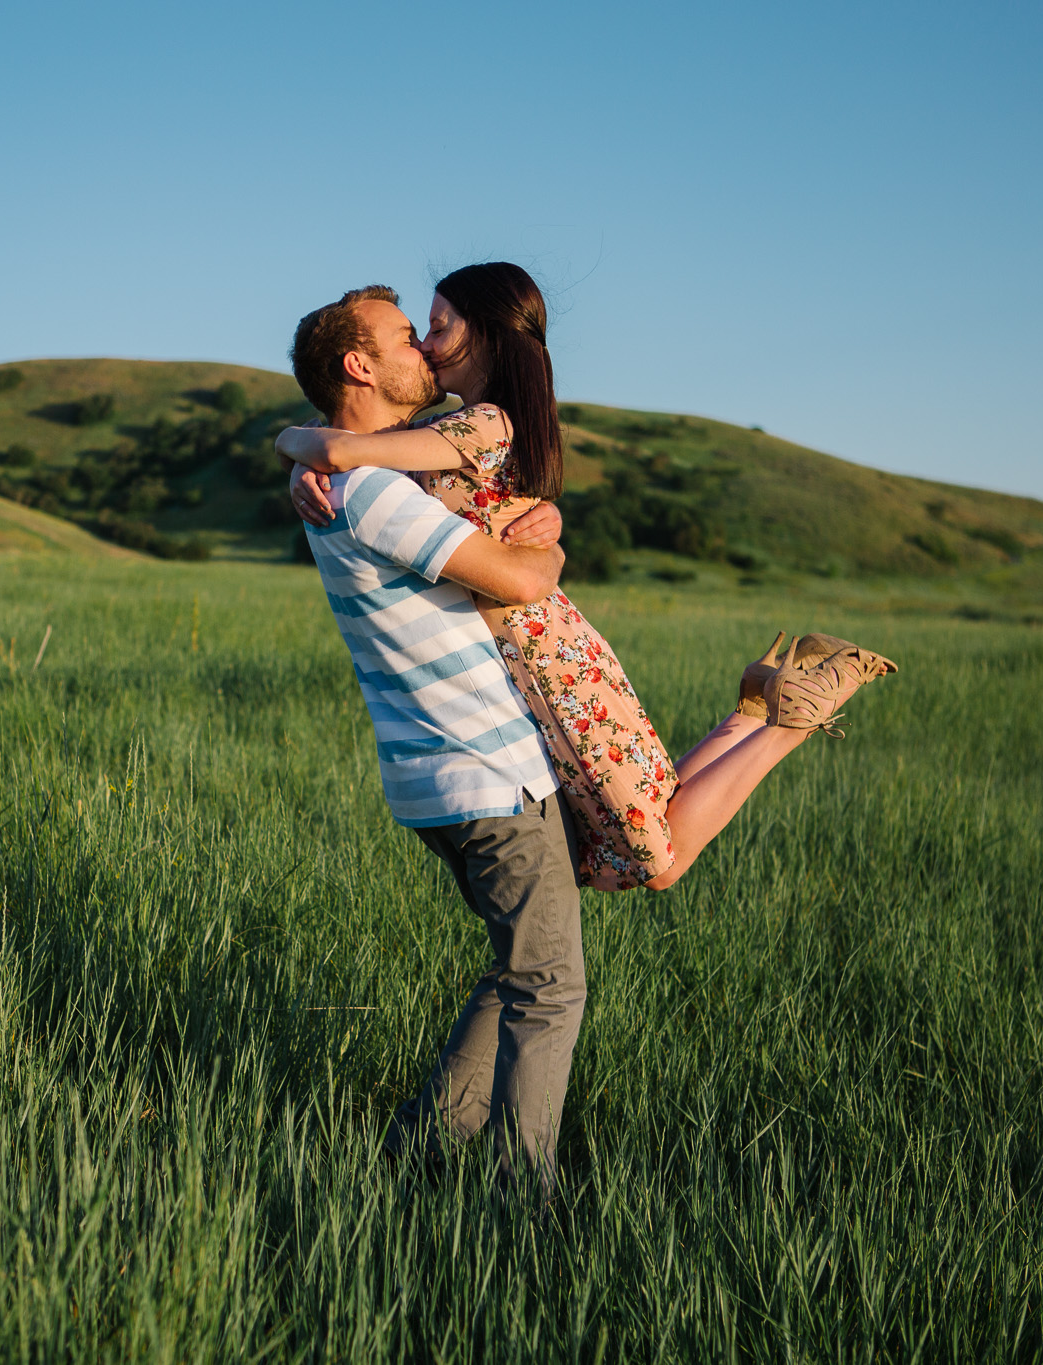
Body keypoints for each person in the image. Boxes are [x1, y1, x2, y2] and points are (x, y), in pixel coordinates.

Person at [281, 263, 897, 893]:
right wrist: (308, 459)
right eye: (420, 334)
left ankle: (788, 724)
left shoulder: (486, 423)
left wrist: (294, 446)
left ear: (485, 333)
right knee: (619, 839)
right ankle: (752, 712)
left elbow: (345, 451)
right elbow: (355, 448)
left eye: (436, 329)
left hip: (549, 655)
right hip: (521, 663)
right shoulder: (432, 432)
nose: (427, 347)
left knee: (652, 863)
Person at [285, 284, 585, 1197]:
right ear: (359, 365)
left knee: (519, 965)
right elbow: (519, 582)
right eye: (403, 339)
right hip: (486, 771)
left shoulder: (352, 483)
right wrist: (552, 551)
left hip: (438, 777)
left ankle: (426, 1145)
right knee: (550, 986)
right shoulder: (374, 491)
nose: (425, 351)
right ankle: (519, 1195)